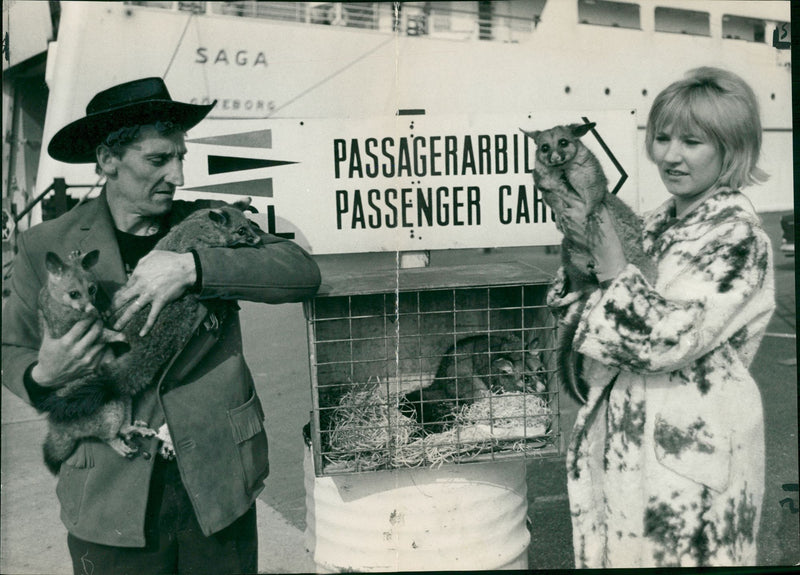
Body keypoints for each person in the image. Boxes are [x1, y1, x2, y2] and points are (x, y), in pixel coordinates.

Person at [1, 77, 321, 574]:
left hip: (216, 482)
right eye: (157, 160)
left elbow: (300, 273)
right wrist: (41, 375)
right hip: (108, 492)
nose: (175, 174)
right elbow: (9, 345)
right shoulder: (47, 242)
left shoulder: (210, 225)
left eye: (179, 157)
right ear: (108, 161)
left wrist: (193, 267)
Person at [548, 67, 775, 567]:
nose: (670, 155)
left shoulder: (739, 240)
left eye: (692, 142)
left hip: (690, 452)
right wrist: (578, 263)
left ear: (730, 149)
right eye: (662, 138)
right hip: (625, 439)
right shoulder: (649, 224)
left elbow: (667, 342)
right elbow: (573, 306)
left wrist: (608, 264)